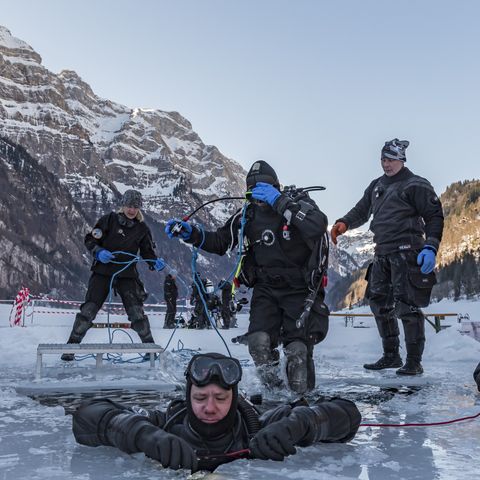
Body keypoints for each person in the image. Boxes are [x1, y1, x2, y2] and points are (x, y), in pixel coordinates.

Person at [165, 160, 329, 394]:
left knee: (297, 351)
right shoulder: (247, 216)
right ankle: (274, 393)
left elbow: (317, 225)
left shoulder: (297, 205)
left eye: (264, 188)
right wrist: (192, 235)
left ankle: (302, 400)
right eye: (252, 190)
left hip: (300, 289)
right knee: (258, 342)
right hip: (266, 288)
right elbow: (220, 242)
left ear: (275, 186)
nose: (258, 196)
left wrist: (280, 202)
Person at [71, 352, 361, 472]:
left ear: (235, 398)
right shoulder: (165, 424)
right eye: (199, 397)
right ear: (187, 396)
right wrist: (143, 434)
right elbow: (86, 416)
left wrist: (303, 423)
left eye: (221, 398)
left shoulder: (257, 426)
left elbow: (348, 415)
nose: (210, 408)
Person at [331, 139, 444, 375]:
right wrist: (344, 223)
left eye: (391, 159)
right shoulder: (377, 185)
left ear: (402, 160)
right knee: (379, 303)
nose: (386, 164)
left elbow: (434, 216)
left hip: (408, 251)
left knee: (407, 305)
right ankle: (391, 355)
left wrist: (431, 246)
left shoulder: (416, 185)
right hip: (382, 252)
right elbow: (362, 210)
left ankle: (414, 361)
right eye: (383, 159)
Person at [61, 190, 166, 361]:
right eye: (129, 206)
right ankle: (70, 347)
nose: (132, 210)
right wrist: (99, 251)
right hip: (103, 271)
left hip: (127, 274)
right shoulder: (108, 220)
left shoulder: (142, 229)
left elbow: (147, 252)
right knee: (89, 310)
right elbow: (90, 239)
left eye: (135, 206)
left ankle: (149, 348)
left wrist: (154, 262)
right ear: (123, 205)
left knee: (136, 313)